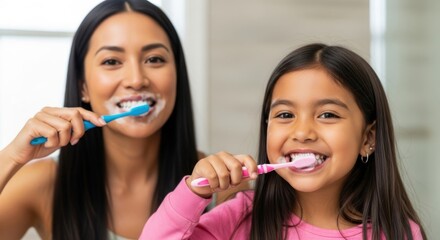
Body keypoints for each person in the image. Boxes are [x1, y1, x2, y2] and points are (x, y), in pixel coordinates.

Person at [140, 43, 427, 239]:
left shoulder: (398, 233)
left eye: (327, 114)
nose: (302, 132)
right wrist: (193, 193)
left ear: (368, 138)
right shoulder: (241, 218)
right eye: (285, 114)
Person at [0, 0, 210, 239]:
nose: (136, 79)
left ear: (177, 75)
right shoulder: (44, 184)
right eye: (112, 61)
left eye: (154, 59)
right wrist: (12, 157)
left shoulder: (219, 181)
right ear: (83, 87)